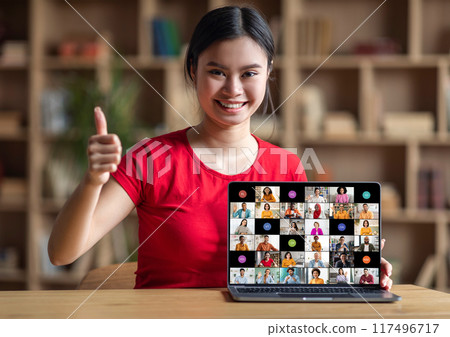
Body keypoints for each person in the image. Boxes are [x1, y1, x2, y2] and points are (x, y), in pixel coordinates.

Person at [47, 6, 393, 291]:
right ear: (193, 69)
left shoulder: (287, 166)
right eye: (217, 71)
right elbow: (62, 253)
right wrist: (93, 180)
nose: (233, 89)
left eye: (248, 73)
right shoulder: (151, 158)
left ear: (268, 73)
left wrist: (350, 268)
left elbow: (297, 273)